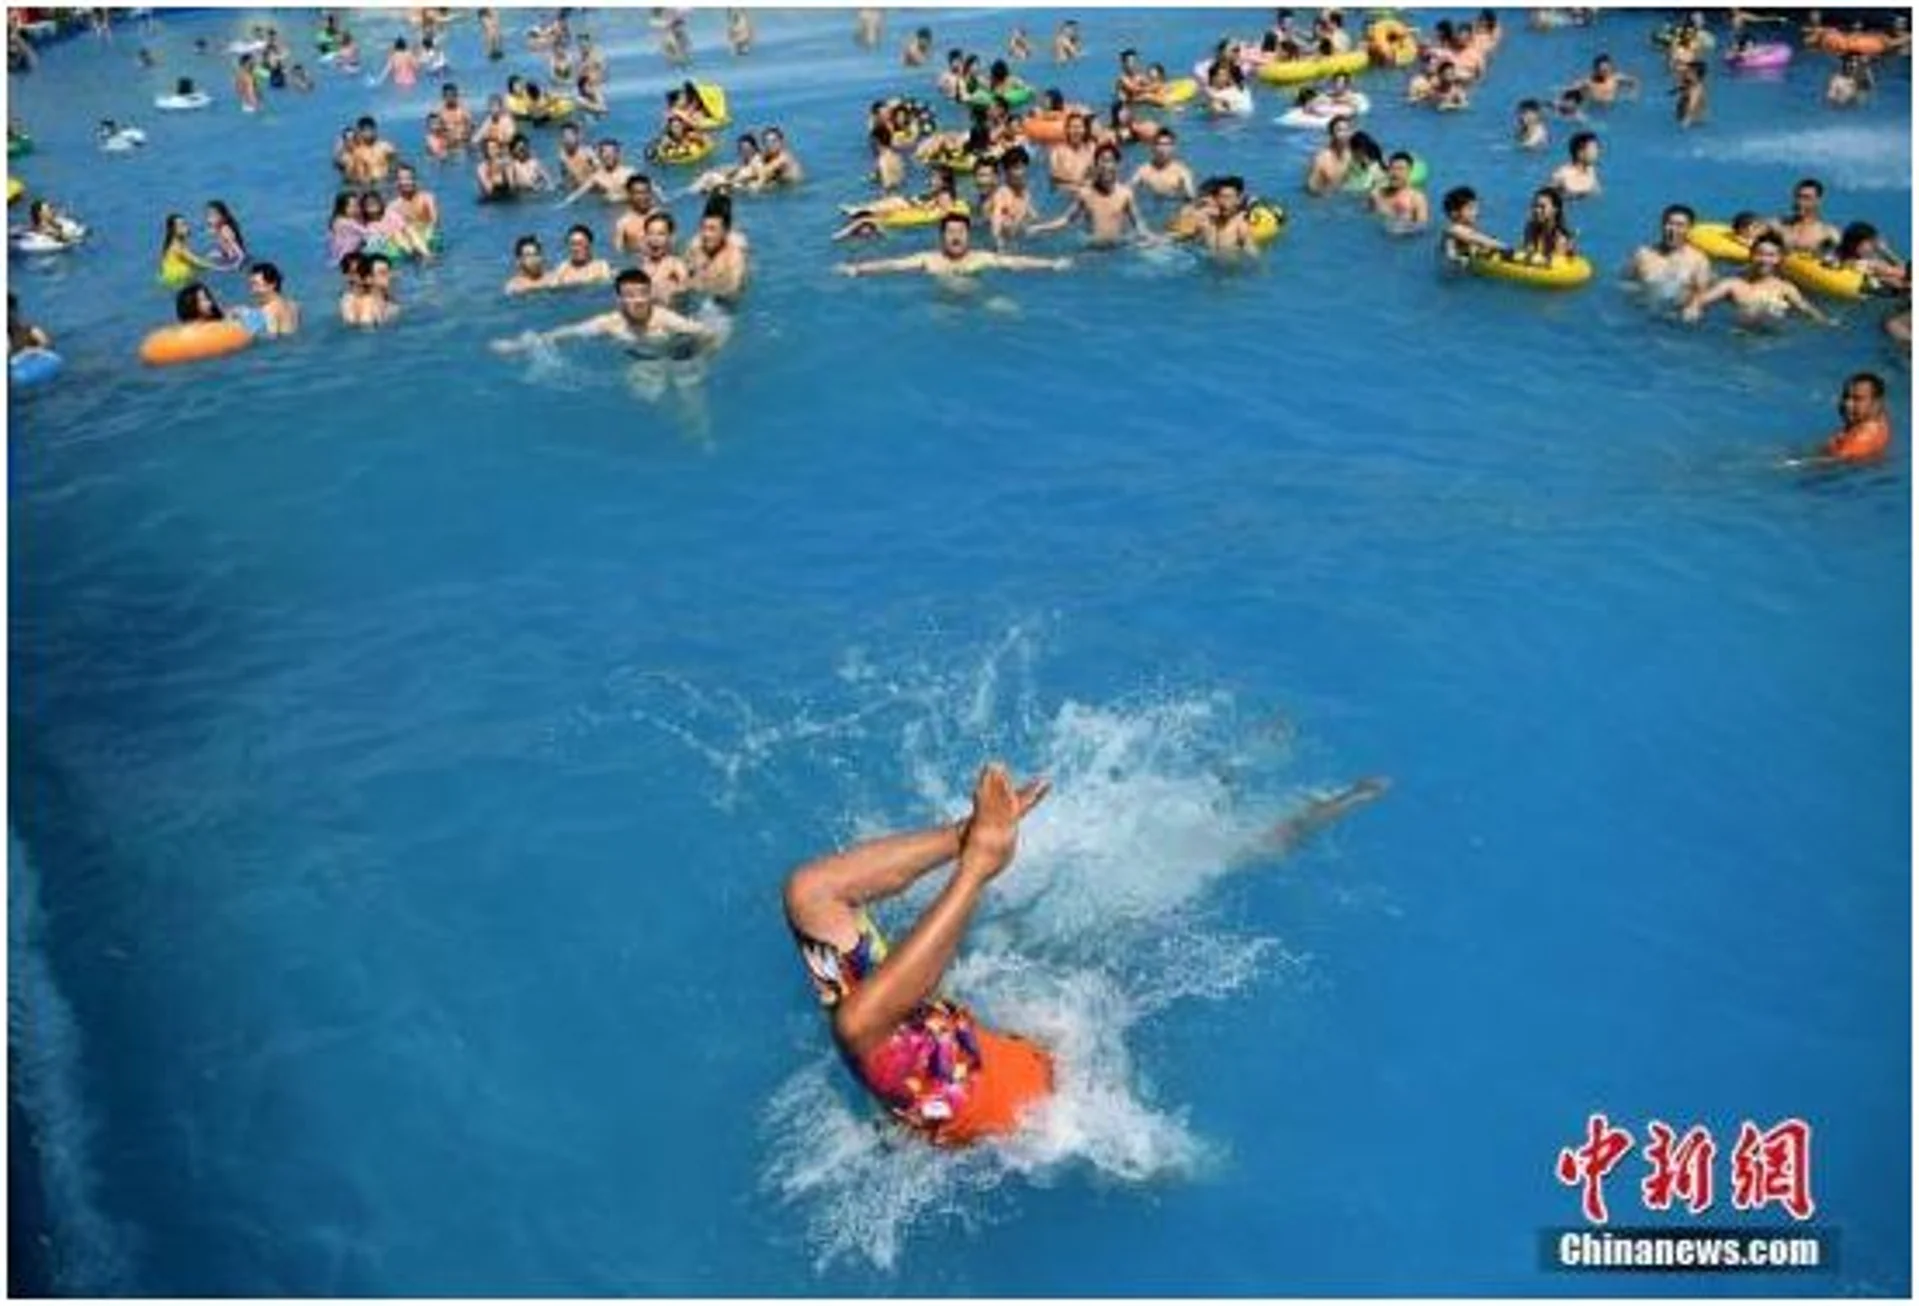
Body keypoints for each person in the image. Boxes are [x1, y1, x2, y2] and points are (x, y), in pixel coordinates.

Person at [781, 764, 1387, 1147]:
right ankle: (1279, 831)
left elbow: (832, 924)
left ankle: (972, 840)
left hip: (938, 1044)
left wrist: (966, 835)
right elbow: (865, 1026)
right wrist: (979, 867)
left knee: (809, 892)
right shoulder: (875, 1030)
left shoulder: (880, 1031)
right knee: (1177, 881)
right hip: (993, 1091)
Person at [492, 267, 723, 357]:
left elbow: (708, 333)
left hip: (675, 354)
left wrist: (702, 358)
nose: (637, 300)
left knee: (688, 388)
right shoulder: (611, 323)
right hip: (640, 360)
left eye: (642, 293)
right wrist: (518, 346)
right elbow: (568, 332)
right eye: (629, 295)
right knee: (648, 391)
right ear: (619, 299)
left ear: (650, 294)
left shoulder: (665, 318)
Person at [837, 212, 1071, 278]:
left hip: (980, 302)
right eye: (950, 232)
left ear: (969, 235)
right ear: (941, 237)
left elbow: (1015, 262)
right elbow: (894, 265)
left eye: (961, 232)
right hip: (944, 308)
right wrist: (858, 269)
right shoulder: (928, 259)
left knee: (1006, 310)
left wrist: (1051, 264)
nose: (956, 236)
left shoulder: (982, 258)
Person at [1681, 233, 1831, 326]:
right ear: (1751, 255)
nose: (1764, 260)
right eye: (1760, 254)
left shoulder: (1785, 288)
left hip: (1773, 340)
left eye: (1771, 255)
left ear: (1779, 259)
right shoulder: (1734, 285)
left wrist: (1826, 322)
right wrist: (1693, 308)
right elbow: (1702, 299)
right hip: (1736, 335)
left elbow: (1807, 310)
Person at [1028, 143, 1145, 247]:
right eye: (1102, 160)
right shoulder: (1086, 194)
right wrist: (1040, 228)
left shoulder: (1125, 194)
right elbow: (1066, 220)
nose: (1106, 166)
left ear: (1117, 165)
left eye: (1110, 161)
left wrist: (1156, 239)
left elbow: (1139, 226)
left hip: (1118, 249)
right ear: (1096, 165)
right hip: (1092, 251)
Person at [1781, 372, 1891, 468]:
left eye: (1857, 399)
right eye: (1845, 396)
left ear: (1876, 403)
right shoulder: (1879, 418)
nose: (1847, 404)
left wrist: (1790, 464)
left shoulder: (1860, 439)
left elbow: (1836, 461)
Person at [1625, 204, 1713, 299]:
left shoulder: (1698, 261)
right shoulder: (1642, 255)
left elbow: (1701, 295)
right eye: (1669, 223)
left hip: (1677, 310)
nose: (1673, 230)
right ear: (1662, 225)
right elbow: (1626, 283)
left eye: (1680, 225)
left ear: (1689, 229)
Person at [685, 195, 749, 301]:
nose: (706, 234)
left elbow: (734, 290)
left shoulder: (735, 252)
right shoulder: (696, 246)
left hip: (720, 301)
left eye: (711, 229)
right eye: (703, 228)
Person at [1439, 186, 1508, 266]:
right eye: (1470, 209)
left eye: (1476, 208)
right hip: (1453, 271)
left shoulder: (1468, 226)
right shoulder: (1453, 229)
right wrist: (1504, 247)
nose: (1475, 212)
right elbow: (1476, 238)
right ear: (1454, 213)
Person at [633, 212, 690, 301]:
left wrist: (671, 289)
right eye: (650, 233)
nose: (655, 238)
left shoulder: (675, 266)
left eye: (661, 234)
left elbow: (687, 293)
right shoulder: (641, 264)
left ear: (671, 237)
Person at [558, 138, 633, 205]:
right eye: (604, 152)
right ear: (600, 156)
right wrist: (560, 206)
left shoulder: (629, 173)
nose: (608, 155)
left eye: (611, 152)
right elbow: (576, 195)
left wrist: (620, 198)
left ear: (618, 154)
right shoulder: (596, 177)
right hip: (607, 211)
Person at [1128, 128, 1195, 202]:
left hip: (1173, 206)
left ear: (1173, 148)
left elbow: (1191, 195)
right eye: (1159, 144)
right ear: (1153, 147)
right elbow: (1128, 189)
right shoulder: (1143, 170)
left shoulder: (1182, 172)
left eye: (1167, 145)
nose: (1163, 149)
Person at [1777, 179, 1840, 255]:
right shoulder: (1780, 226)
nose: (1800, 202)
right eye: (1798, 197)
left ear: (1817, 201)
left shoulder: (1827, 233)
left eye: (1806, 198)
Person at [1369, 152, 1430, 230]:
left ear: (1409, 171)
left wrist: (1402, 229)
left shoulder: (1417, 198)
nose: (1395, 173)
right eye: (1392, 168)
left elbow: (1423, 227)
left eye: (1400, 169)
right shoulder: (1376, 195)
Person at [1305, 115, 1357, 196]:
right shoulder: (1321, 159)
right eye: (1339, 130)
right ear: (1332, 134)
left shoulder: (1359, 153)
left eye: (1347, 130)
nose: (1344, 134)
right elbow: (1311, 187)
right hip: (1328, 196)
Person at [613, 173, 663, 254]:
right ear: (629, 195)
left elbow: (673, 244)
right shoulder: (623, 223)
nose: (643, 197)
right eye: (638, 193)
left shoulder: (660, 216)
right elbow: (617, 251)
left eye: (646, 192)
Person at [246, 261, 300, 335]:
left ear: (272, 284)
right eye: (250, 284)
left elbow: (271, 338)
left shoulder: (268, 310)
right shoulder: (293, 305)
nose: (252, 290)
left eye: (256, 284)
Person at [1549, 132, 1602, 199]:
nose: (1597, 152)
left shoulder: (1590, 170)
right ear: (1580, 153)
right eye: (1593, 149)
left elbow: (1597, 193)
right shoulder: (1562, 175)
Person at [1673, 59, 1707, 128]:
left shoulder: (1696, 90)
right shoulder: (1690, 84)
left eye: (1688, 71)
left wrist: (1686, 122)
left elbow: (1692, 107)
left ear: (1694, 74)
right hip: (1689, 119)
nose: (1686, 72)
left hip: (1694, 123)